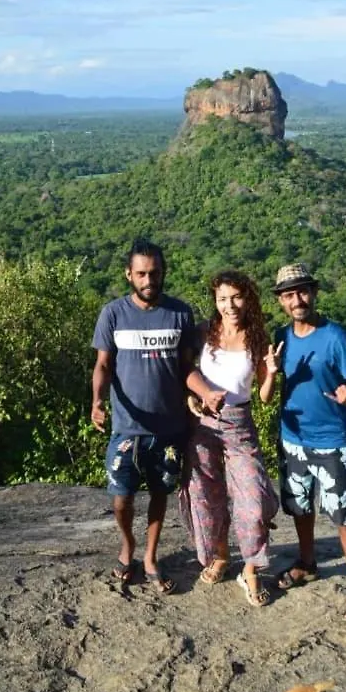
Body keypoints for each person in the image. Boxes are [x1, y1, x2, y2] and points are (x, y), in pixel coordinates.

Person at [91, 237, 223, 594]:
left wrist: (205, 393)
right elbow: (102, 364)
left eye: (155, 273)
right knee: (122, 496)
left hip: (169, 427)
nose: (149, 280)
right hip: (127, 427)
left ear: (164, 273)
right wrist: (97, 402)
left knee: (160, 492)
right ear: (129, 275)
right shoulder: (113, 313)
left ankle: (150, 556)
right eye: (142, 274)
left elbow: (186, 368)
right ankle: (127, 546)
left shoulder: (180, 313)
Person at [273, 262, 346, 624]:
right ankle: (307, 562)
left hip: (331, 441)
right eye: (289, 295)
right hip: (292, 439)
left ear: (313, 293)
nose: (297, 300)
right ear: (282, 302)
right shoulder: (280, 338)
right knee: (300, 508)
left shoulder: (336, 336)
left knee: (341, 514)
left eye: (302, 292)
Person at [180, 269, 281, 607]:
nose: (230, 305)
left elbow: (265, 397)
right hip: (203, 425)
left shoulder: (258, 338)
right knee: (207, 493)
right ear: (215, 301)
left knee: (253, 498)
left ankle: (251, 569)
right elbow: (185, 369)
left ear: (248, 298)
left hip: (240, 423)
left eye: (236, 297)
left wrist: (273, 373)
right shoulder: (204, 332)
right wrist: (194, 396)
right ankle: (221, 556)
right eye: (222, 298)